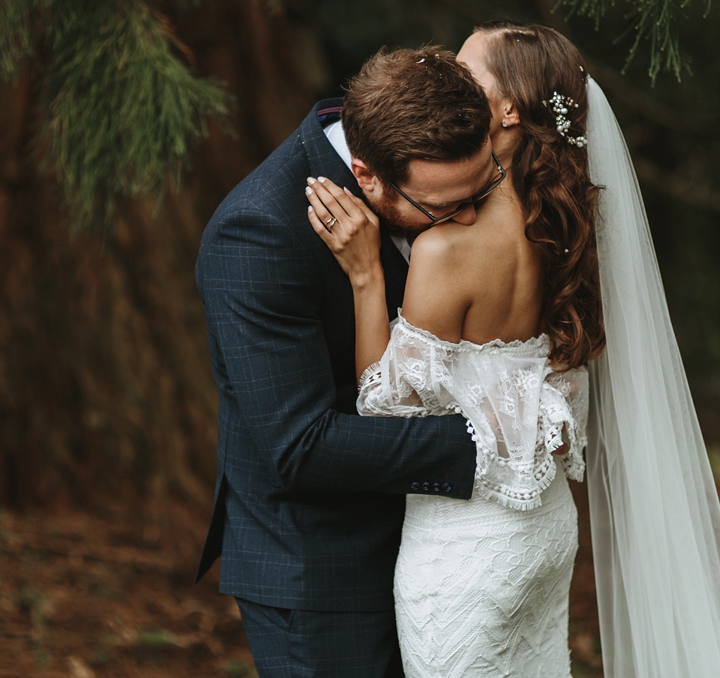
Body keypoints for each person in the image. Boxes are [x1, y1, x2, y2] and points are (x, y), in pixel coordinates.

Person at [306, 21, 720, 677]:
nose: (450, 80)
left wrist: (364, 276)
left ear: (507, 110)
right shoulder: (572, 221)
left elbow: (386, 407)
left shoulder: (451, 247)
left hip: (466, 549)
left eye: (466, 71)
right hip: (545, 531)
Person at [194, 45, 507, 678]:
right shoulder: (258, 235)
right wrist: (494, 440)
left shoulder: (418, 125)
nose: (471, 219)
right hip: (324, 576)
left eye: (484, 187)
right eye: (445, 209)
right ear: (366, 177)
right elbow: (300, 446)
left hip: (441, 555)